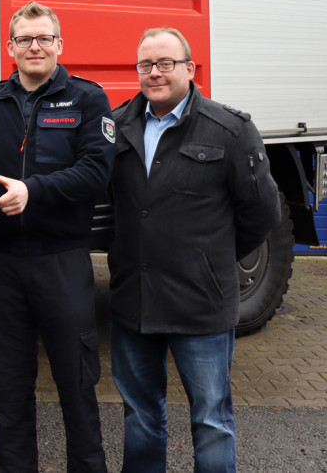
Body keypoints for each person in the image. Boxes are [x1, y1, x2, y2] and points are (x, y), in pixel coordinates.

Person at [0, 1, 114, 473]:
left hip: (61, 262)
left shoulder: (87, 99)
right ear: (11, 47)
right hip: (0, 264)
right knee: (9, 388)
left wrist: (32, 191)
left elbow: (96, 172)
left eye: (43, 38)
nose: (34, 46)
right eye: (24, 39)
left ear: (60, 45)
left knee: (77, 387)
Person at [108, 27, 280, 473]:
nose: (155, 73)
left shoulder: (230, 130)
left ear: (189, 67)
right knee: (141, 417)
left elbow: (262, 213)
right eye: (145, 65)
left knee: (211, 420)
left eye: (166, 63)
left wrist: (209, 260)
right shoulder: (118, 126)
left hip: (200, 305)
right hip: (134, 303)